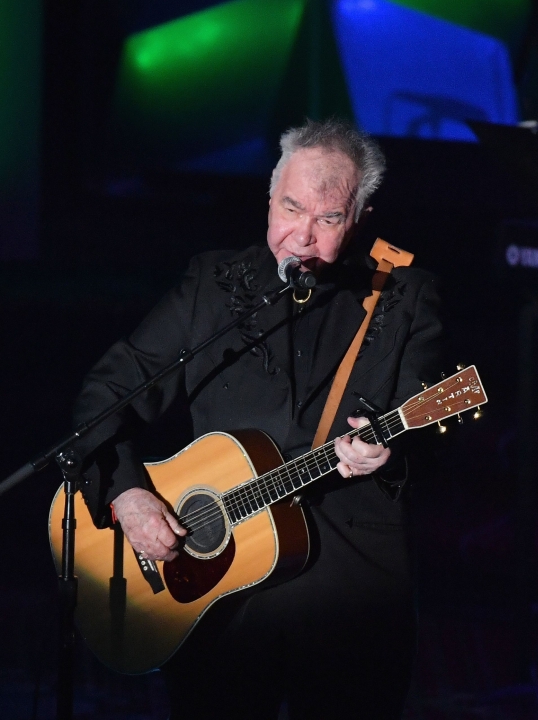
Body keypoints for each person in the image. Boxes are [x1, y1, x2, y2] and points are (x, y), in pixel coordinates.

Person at [72, 119, 446, 718]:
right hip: (214, 591)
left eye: (328, 220)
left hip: (349, 596)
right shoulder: (212, 287)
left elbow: (429, 430)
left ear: (359, 219)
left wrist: (389, 452)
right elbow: (107, 392)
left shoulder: (404, 295)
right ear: (268, 198)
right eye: (291, 208)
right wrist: (128, 495)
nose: (301, 236)